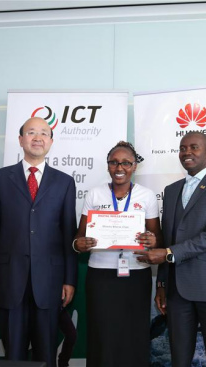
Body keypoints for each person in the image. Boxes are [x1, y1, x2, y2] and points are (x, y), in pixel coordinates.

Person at [136, 132, 206, 367]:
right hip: (176, 291)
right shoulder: (171, 190)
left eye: (194, 147)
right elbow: (166, 238)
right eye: (183, 148)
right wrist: (161, 284)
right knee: (179, 359)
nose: (187, 152)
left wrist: (169, 253)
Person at [0, 117, 77, 366]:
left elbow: (68, 235)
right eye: (31, 132)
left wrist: (69, 280)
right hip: (9, 279)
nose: (38, 138)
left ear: (51, 142)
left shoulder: (64, 182)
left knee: (46, 353)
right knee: (13, 352)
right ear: (21, 139)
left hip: (50, 281)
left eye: (44, 133)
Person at [73, 141, 161, 367]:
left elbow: (157, 238)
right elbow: (77, 238)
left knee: (134, 332)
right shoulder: (95, 194)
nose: (119, 167)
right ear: (108, 166)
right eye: (114, 162)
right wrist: (79, 245)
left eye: (126, 163)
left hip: (137, 274)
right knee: (102, 333)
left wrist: (152, 241)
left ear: (134, 166)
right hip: (100, 275)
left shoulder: (147, 196)